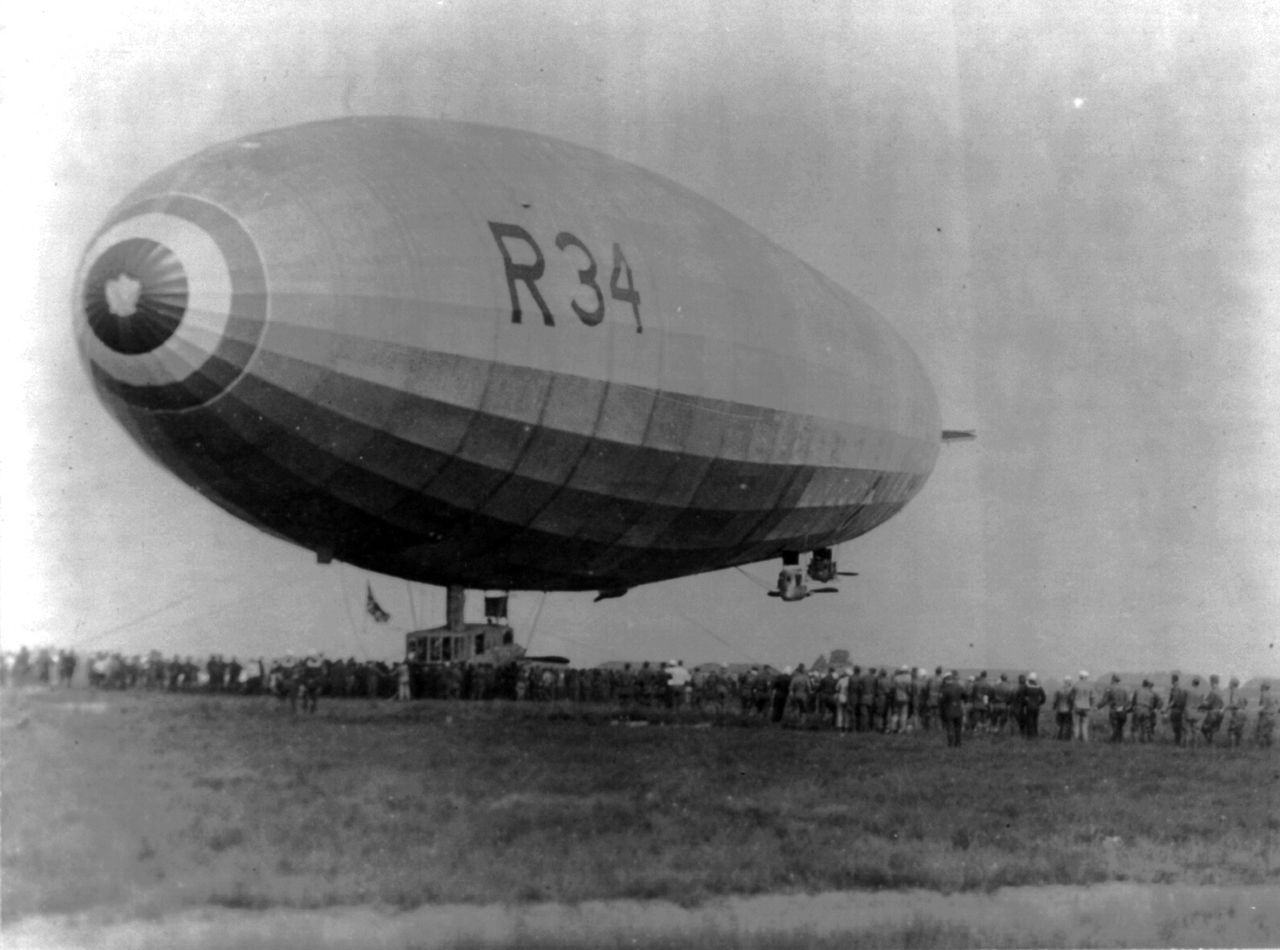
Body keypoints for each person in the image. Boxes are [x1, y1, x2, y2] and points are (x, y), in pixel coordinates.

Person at [938, 670, 965, 747]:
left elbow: (941, 702)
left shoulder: (944, 689)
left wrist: (941, 712)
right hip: (959, 710)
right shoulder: (960, 687)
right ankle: (958, 743)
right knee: (958, 729)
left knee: (950, 728)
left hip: (949, 711)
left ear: (946, 680)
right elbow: (965, 697)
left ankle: (950, 744)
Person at [1101, 674, 1129, 743]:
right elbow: (1128, 701)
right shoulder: (1124, 689)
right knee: (1120, 727)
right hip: (1123, 711)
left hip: (1114, 711)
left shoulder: (1109, 688)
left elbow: (1104, 700)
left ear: (1113, 680)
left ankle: (1113, 741)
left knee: (1115, 727)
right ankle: (1120, 742)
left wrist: (1097, 707)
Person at [1131, 678, 1161, 743]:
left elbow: (1133, 702)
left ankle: (1135, 744)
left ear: (1142, 684)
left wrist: (1133, 708)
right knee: (1145, 727)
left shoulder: (1137, 690)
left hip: (1138, 709)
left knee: (1135, 727)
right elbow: (1160, 701)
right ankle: (1145, 742)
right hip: (1147, 711)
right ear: (1148, 685)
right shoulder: (1152, 692)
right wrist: (1156, 709)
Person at [1200, 674, 1224, 746]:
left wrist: (1201, 701)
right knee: (1212, 728)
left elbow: (1207, 704)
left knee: (1203, 728)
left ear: (1212, 681)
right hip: (1220, 713)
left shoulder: (1213, 692)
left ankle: (1209, 741)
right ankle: (1210, 741)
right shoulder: (1220, 691)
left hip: (1212, 713)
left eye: (1210, 681)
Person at [1071, 671, 1094, 742]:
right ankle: (1085, 740)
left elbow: (1071, 697)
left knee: (1076, 724)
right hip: (1086, 707)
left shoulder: (1076, 685)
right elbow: (1092, 698)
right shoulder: (1090, 686)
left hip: (1077, 706)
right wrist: (1090, 705)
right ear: (1087, 677)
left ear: (1079, 676)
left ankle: (1075, 740)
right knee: (1085, 725)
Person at [1023, 673, 1046, 738]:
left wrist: (1025, 703)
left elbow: (1022, 696)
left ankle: (1030, 735)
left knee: (1029, 720)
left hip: (1029, 706)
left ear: (1029, 679)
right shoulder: (1039, 687)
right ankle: (1035, 734)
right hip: (1036, 707)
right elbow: (1044, 697)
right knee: (1035, 720)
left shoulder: (1026, 686)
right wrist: (1039, 703)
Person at [1167, 672, 1188, 746]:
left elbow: (1173, 700)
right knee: (1179, 727)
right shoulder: (1182, 688)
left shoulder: (1175, 688)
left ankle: (1178, 742)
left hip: (1176, 710)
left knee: (1176, 727)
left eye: (1172, 679)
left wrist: (1167, 707)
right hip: (1181, 710)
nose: (1171, 681)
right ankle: (1179, 742)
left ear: (1173, 680)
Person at [1255, 682, 1275, 748]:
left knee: (1261, 733)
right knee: (1269, 733)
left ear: (1263, 687)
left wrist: (1257, 711)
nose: (1260, 688)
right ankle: (1269, 750)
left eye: (1261, 686)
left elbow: (1263, 706)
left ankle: (1260, 749)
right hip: (1271, 716)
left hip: (1265, 716)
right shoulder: (1270, 694)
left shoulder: (1263, 694)